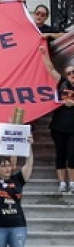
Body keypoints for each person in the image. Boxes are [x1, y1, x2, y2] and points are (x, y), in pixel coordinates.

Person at [54, 65, 74, 193]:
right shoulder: (62, 83)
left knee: (72, 154)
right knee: (60, 154)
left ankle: (72, 182)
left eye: (73, 72)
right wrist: (44, 55)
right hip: (59, 126)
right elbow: (50, 69)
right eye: (69, 73)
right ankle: (62, 182)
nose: (72, 74)